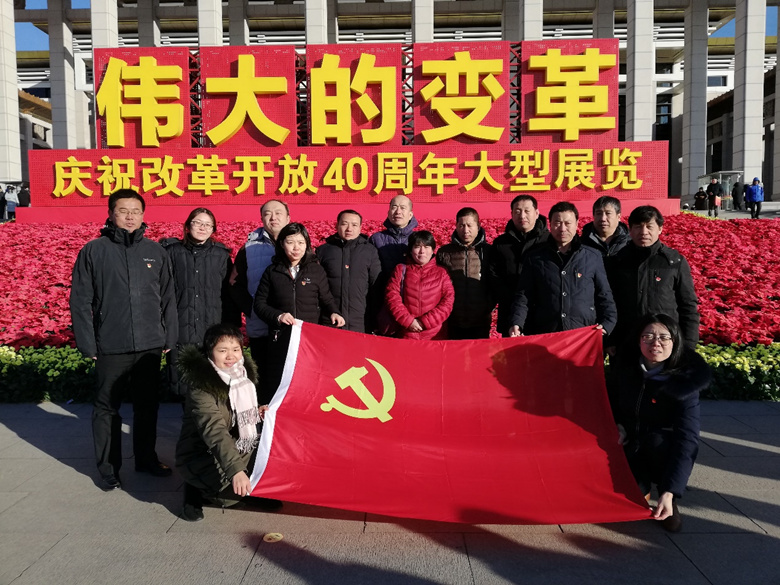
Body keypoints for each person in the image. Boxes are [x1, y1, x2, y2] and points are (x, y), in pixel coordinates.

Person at [70, 189, 178, 490]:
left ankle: (146, 458)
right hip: (111, 344)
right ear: (111, 214)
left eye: (136, 211)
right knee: (107, 408)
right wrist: (88, 343)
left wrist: (169, 335)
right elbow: (80, 300)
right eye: (123, 210)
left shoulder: (155, 251)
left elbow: (168, 297)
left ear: (143, 215)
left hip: (149, 344)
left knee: (147, 406)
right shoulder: (94, 251)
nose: (130, 216)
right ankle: (108, 468)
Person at [611, 313, 711, 532]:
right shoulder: (625, 368)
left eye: (664, 337)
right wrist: (618, 424)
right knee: (627, 498)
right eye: (647, 336)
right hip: (628, 442)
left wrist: (670, 491)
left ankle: (665, 497)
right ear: (638, 341)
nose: (655, 343)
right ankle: (641, 488)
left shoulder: (685, 382)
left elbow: (688, 439)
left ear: (675, 342)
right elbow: (610, 402)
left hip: (660, 448)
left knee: (659, 443)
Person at [175, 323, 280, 522]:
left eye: (235, 349)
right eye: (222, 350)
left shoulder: (242, 376)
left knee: (272, 457)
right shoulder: (201, 386)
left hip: (236, 444)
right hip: (202, 453)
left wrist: (257, 411)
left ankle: (249, 488)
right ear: (210, 352)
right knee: (229, 498)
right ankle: (194, 489)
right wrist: (236, 471)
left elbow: (237, 412)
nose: (231, 356)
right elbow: (214, 431)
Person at [253, 223, 345, 395]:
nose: (296, 248)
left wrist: (335, 312)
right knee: (280, 383)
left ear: (307, 244)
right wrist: (278, 316)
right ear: (282, 244)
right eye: (290, 242)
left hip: (308, 340)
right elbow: (259, 304)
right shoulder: (272, 271)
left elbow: (326, 299)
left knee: (307, 383)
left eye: (301, 242)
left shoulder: (316, 270)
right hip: (281, 338)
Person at [160, 208, 239, 397]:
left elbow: (229, 295)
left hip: (211, 329)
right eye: (198, 223)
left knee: (213, 386)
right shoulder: (172, 252)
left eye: (208, 225)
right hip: (180, 329)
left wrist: (232, 330)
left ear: (213, 229)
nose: (202, 228)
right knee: (183, 386)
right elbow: (161, 291)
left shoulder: (220, 256)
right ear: (188, 226)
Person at [508, 201, 616, 337]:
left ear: (577, 224)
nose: (562, 228)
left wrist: (607, 324)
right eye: (557, 223)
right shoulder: (535, 258)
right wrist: (517, 323)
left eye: (568, 223)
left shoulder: (592, 256)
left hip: (582, 332)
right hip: (547, 332)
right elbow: (524, 296)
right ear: (550, 224)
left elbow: (604, 295)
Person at [606, 206, 700, 350]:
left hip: (663, 344)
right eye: (638, 227)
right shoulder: (617, 261)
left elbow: (688, 306)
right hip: (626, 343)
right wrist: (610, 340)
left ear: (660, 229)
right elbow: (607, 303)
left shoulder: (674, 262)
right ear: (630, 230)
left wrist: (688, 345)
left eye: (649, 226)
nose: (644, 232)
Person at [230, 199, 290, 399]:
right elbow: (234, 283)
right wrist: (252, 309)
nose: (273, 217)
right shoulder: (249, 248)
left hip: (290, 324)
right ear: (262, 218)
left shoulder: (299, 243)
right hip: (261, 324)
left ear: (288, 217)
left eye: (278, 213)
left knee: (288, 378)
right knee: (263, 378)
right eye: (267, 213)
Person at [490, 195, 550, 336]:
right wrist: (509, 297)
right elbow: (493, 275)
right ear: (511, 214)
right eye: (517, 211)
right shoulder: (501, 243)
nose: (522, 216)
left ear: (536, 213)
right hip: (510, 313)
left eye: (527, 211)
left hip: (542, 314)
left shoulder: (549, 241)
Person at [315, 209, 382, 333]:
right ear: (337, 225)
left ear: (360, 228)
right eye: (344, 224)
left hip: (360, 322)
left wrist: (375, 320)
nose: (349, 229)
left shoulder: (370, 251)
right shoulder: (324, 251)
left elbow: (376, 287)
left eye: (354, 225)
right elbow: (318, 286)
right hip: (330, 320)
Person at [436, 207, 494, 339]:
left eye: (469, 225)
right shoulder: (444, 252)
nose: (465, 230)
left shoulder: (489, 251)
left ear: (478, 226)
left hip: (480, 321)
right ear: (456, 226)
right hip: (453, 319)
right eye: (461, 225)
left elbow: (494, 283)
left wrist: (487, 307)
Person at [385, 230, 454, 340]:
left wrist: (425, 322)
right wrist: (408, 321)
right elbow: (392, 297)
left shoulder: (442, 273)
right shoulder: (400, 270)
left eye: (426, 247)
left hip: (434, 335)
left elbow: (448, 301)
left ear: (433, 250)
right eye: (417, 247)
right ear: (411, 250)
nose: (422, 251)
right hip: (407, 333)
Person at [369, 195, 418, 281]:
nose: (398, 212)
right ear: (388, 213)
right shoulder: (376, 239)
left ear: (410, 215)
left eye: (403, 208)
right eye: (394, 207)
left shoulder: (418, 239)